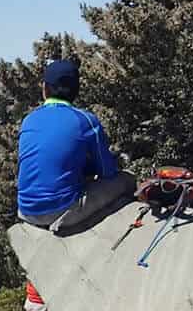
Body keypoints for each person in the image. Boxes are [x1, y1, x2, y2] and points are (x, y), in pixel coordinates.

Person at [16, 59, 134, 233]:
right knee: (126, 179)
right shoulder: (86, 120)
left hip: (25, 210)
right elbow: (107, 172)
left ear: (45, 89)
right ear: (76, 91)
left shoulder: (28, 120)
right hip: (61, 210)